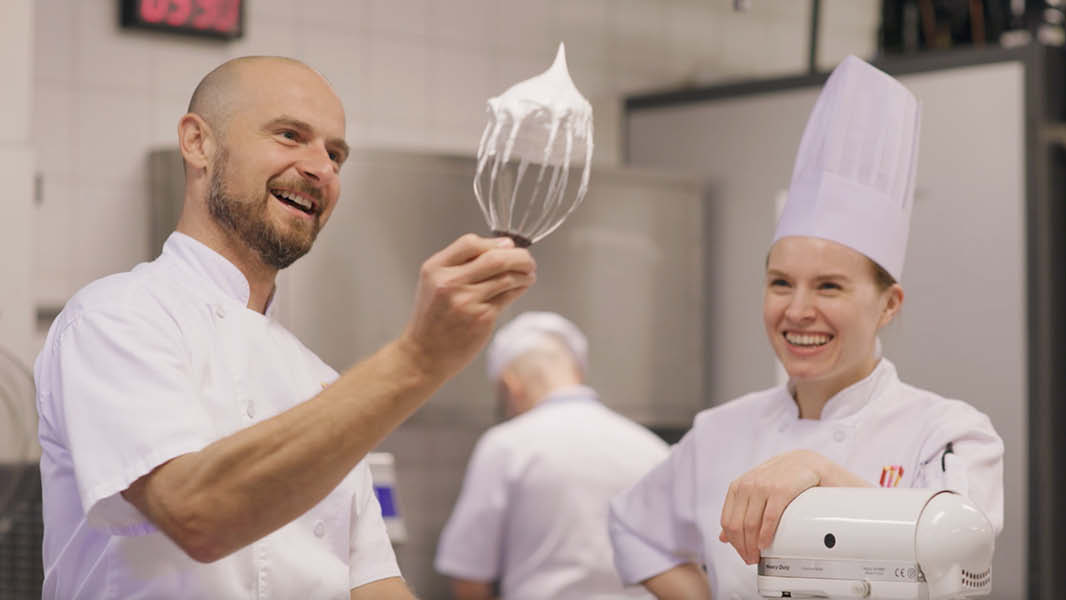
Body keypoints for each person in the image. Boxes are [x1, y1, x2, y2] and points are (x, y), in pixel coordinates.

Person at [34, 56, 536, 599]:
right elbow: (196, 513)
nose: (322, 168)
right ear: (198, 143)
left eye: (336, 155)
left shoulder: (319, 380)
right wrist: (419, 359)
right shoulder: (116, 318)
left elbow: (373, 585)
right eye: (290, 135)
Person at [607, 56, 1004, 599]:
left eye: (829, 286)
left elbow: (957, 551)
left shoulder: (949, 434)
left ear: (889, 304)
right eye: (779, 283)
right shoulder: (719, 434)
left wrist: (816, 471)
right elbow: (633, 527)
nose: (796, 310)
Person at [434, 312, 670, 600]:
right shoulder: (652, 448)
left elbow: (468, 574)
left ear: (511, 386)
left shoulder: (506, 445)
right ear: (577, 373)